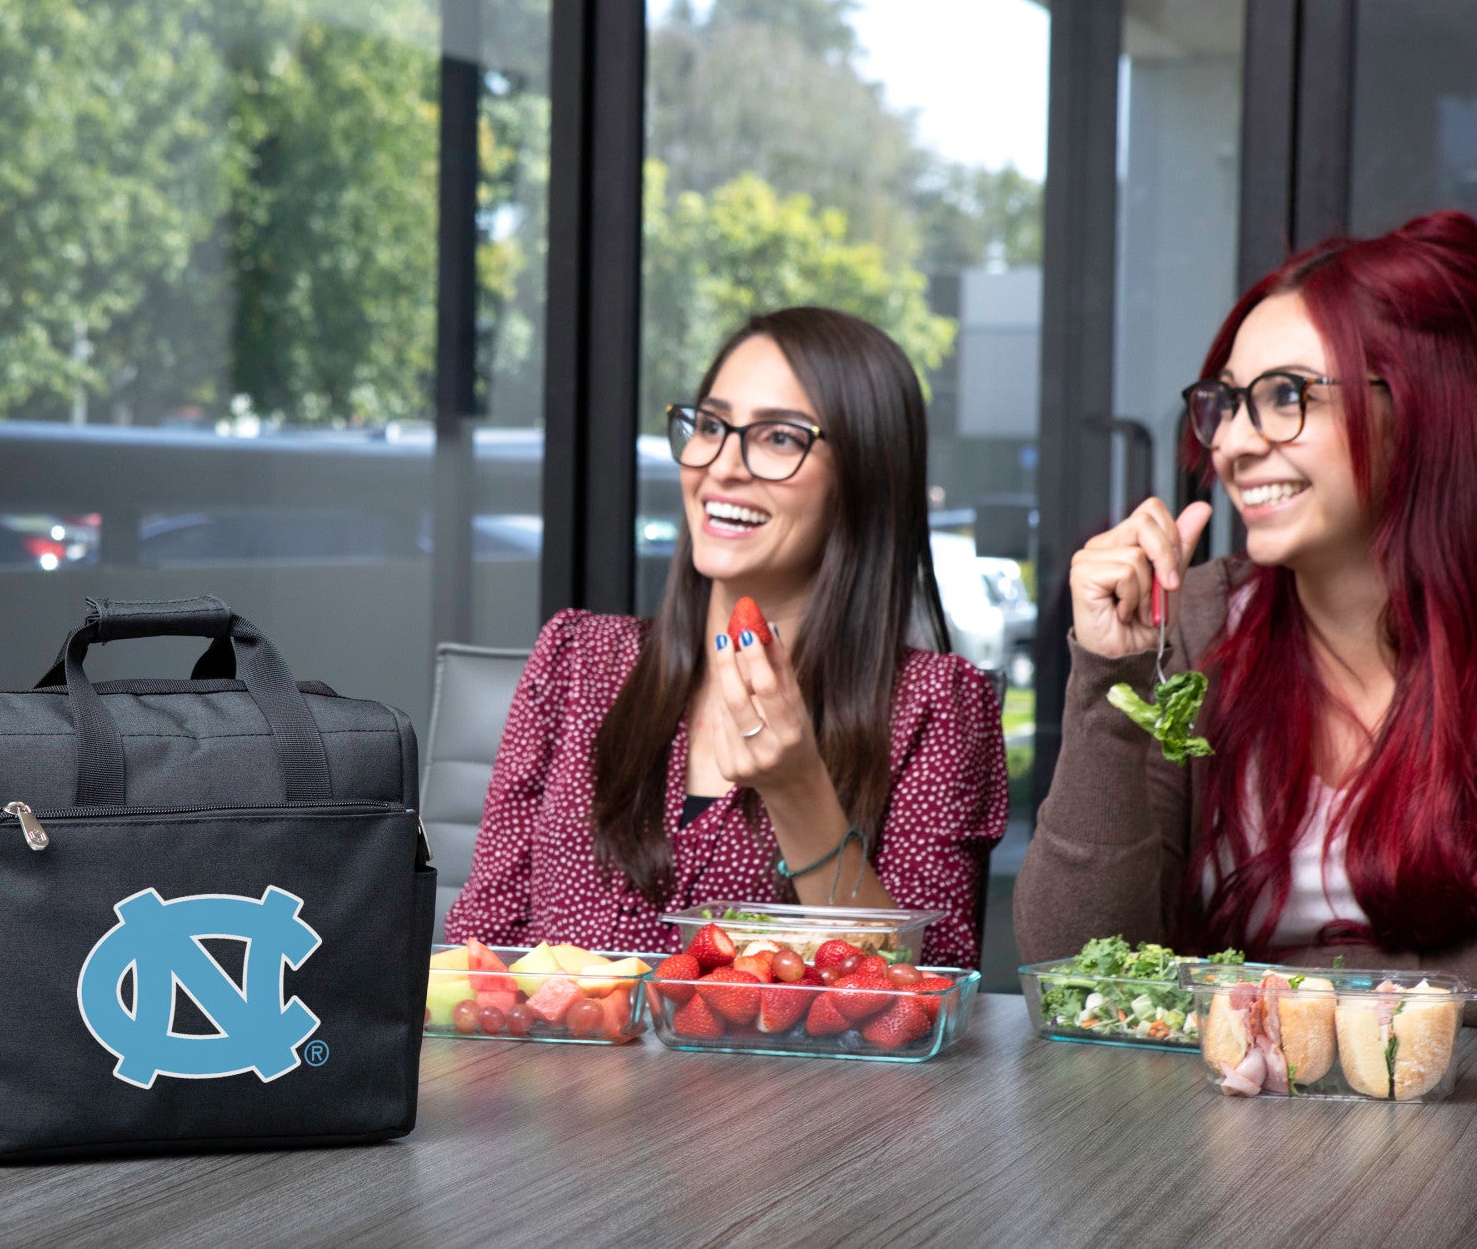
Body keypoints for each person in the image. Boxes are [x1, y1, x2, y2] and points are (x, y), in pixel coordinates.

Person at [445, 307, 1010, 967]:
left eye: (777, 438)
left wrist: (799, 791)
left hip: (788, 1076)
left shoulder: (937, 707)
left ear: (864, 477)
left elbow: (922, 995)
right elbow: (476, 954)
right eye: (711, 425)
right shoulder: (577, 660)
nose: (722, 466)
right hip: (561, 1069)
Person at [1016, 210, 1477, 989]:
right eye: (1226, 402)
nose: (1229, 442)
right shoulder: (1193, 623)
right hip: (1222, 1099)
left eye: (1286, 394)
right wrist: (1109, 675)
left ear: (1420, 406)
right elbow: (1076, 967)